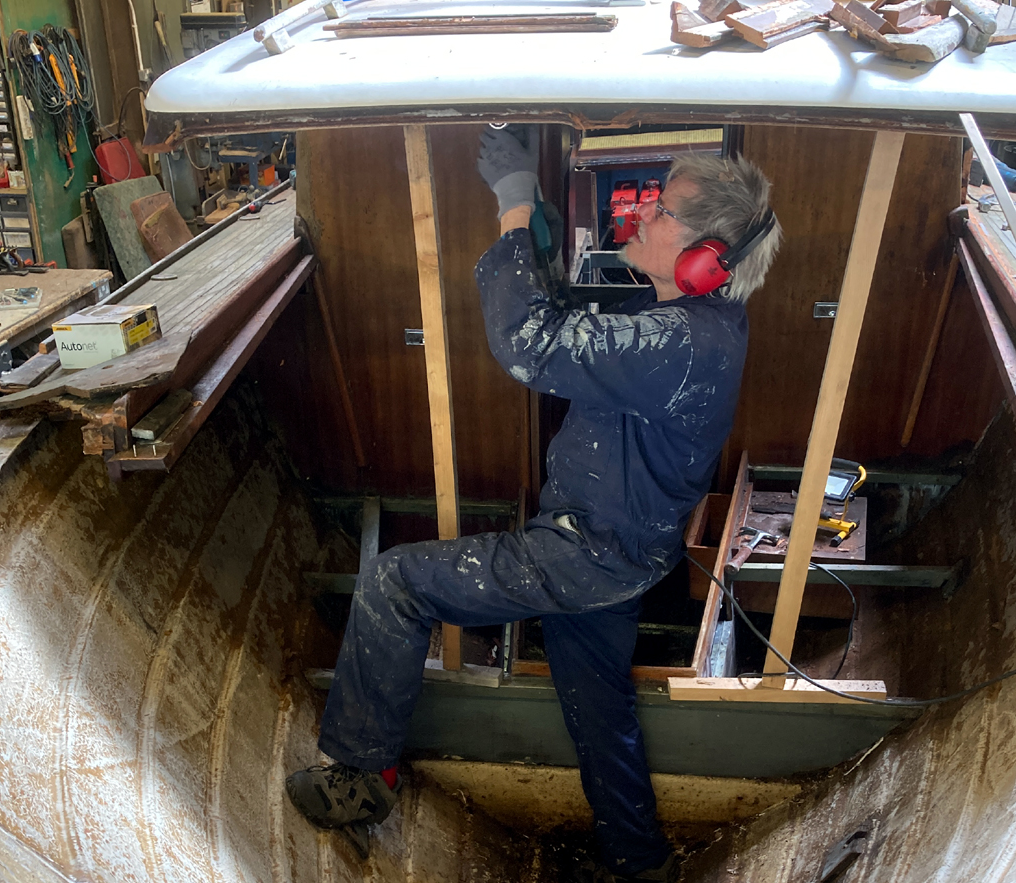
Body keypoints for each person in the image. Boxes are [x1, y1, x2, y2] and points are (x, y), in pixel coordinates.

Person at [285, 125, 781, 883]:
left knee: (394, 581)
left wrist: (514, 209)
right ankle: (637, 858)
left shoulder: (677, 341)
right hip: (626, 556)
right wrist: (539, 248)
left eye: (662, 214)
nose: (642, 217)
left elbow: (531, 345)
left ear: (705, 259)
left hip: (582, 555)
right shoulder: (701, 326)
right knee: (598, 711)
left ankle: (359, 779)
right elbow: (581, 330)